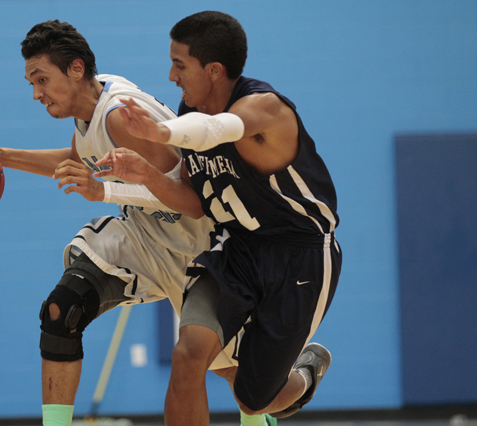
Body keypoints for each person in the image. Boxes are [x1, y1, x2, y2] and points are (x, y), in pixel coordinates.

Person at [0, 19, 268, 426]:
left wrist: (104, 193)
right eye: (31, 82)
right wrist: (3, 156)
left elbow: (193, 200)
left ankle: (277, 398)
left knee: (237, 375)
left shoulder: (118, 117)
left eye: (41, 79)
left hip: (199, 246)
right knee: (63, 309)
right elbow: (83, 158)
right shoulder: (93, 106)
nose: (36, 93)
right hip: (145, 235)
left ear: (76, 69)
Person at [95, 10, 342, 426]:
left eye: (179, 65)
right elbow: (195, 203)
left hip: (299, 256)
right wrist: (146, 176)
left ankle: (306, 372)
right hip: (236, 249)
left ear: (213, 70)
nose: (171, 75)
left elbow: (218, 129)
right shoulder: (189, 113)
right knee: (188, 355)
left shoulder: (265, 109)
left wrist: (161, 135)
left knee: (253, 399)